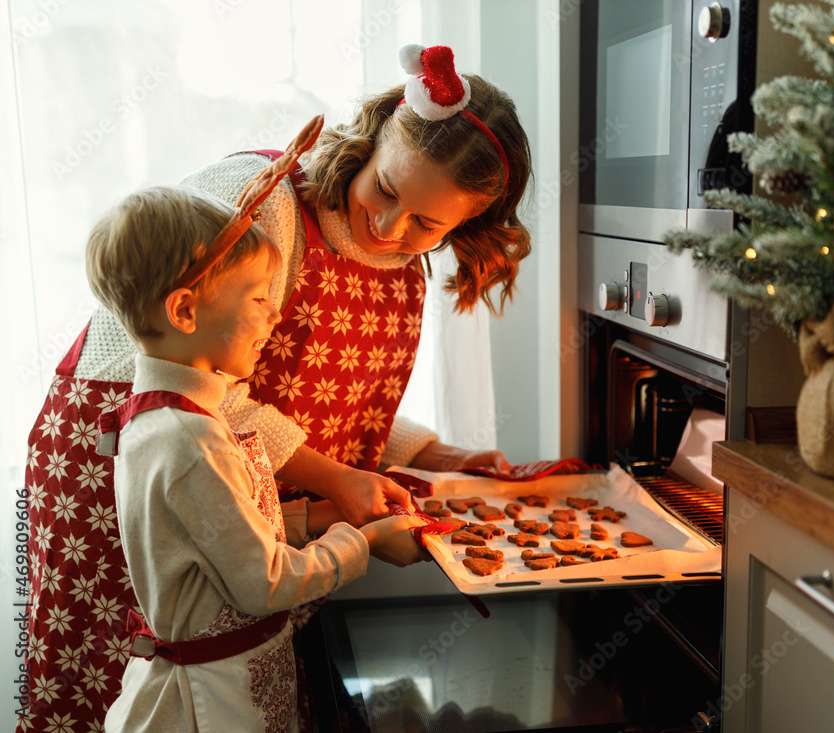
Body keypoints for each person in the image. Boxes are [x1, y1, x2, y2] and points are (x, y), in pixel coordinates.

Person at [21, 44, 532, 732]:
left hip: (230, 494)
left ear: (464, 225)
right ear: (376, 134)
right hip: (119, 467)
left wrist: (442, 456)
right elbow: (190, 390)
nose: (390, 227)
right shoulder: (267, 204)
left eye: (427, 224)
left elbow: (338, 401)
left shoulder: (403, 269)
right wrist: (334, 480)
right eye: (385, 191)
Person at [85, 182, 426, 731]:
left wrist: (328, 516)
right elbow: (264, 582)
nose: (275, 317)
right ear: (186, 310)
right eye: (259, 298)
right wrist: (363, 543)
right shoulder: (191, 440)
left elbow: (222, 533)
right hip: (211, 703)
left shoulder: (167, 416)